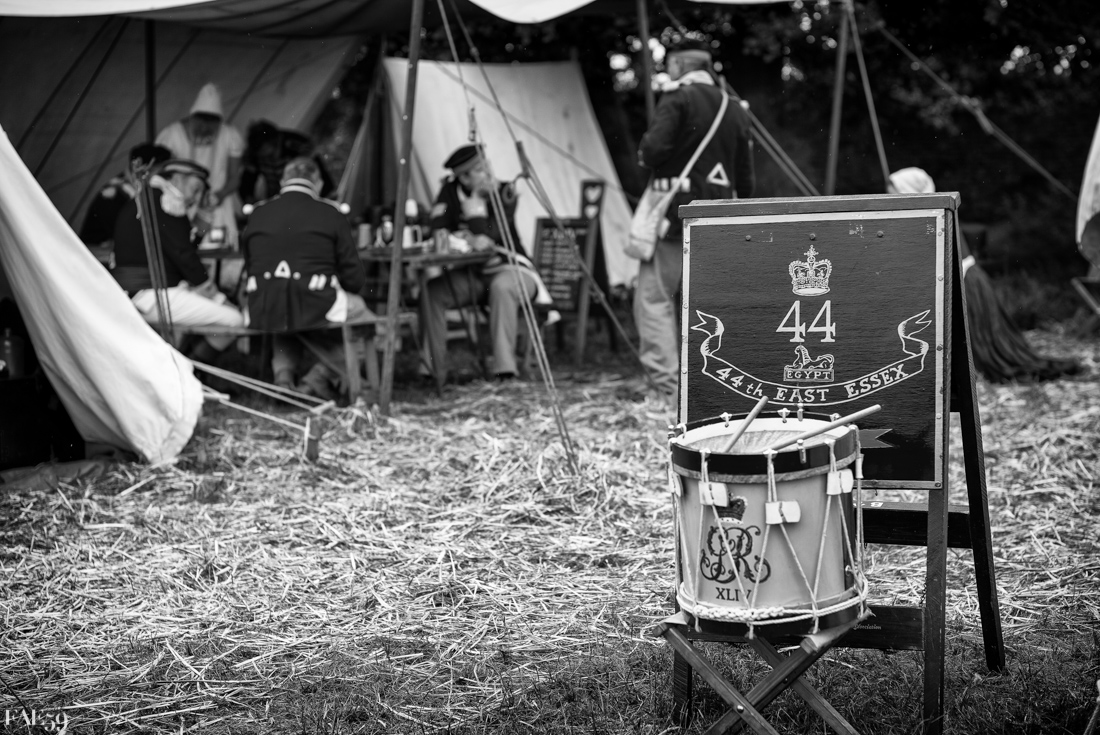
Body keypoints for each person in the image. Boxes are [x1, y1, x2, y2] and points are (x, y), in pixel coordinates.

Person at [634, 36, 755, 397]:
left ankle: (666, 386)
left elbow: (653, 151)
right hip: (720, 221)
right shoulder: (735, 108)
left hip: (676, 215)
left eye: (670, 64)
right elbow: (746, 180)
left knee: (655, 298)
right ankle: (714, 383)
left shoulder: (678, 98)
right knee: (710, 304)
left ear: (680, 65)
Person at [888, 167, 1078, 382]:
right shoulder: (922, 215)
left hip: (967, 284)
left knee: (987, 349)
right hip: (961, 280)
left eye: (893, 190)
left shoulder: (934, 215)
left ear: (908, 189)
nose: (888, 195)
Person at [240, 157, 370, 398]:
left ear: (283, 182)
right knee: (365, 318)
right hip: (315, 300)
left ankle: (283, 379)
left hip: (263, 302)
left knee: (284, 316)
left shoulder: (258, 212)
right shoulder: (330, 212)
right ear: (317, 183)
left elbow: (249, 262)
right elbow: (353, 276)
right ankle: (314, 381)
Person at [423, 144, 541, 383]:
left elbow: (490, 238)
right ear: (464, 178)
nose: (488, 172)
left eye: (487, 165)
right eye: (479, 169)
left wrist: (475, 205)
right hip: (473, 274)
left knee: (502, 288)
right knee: (433, 291)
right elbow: (437, 228)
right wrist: (466, 238)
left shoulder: (505, 192)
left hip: (511, 269)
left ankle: (505, 370)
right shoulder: (449, 191)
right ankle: (433, 369)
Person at [111, 159, 245, 362]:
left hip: (135, 294)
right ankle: (192, 369)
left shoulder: (147, 199)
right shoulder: (166, 202)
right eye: (195, 189)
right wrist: (218, 298)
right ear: (177, 179)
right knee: (234, 319)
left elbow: (183, 246)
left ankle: (184, 364)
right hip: (151, 295)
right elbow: (185, 256)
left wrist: (202, 217)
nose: (195, 198)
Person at [156, 83, 246, 248]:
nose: (205, 126)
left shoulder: (230, 135)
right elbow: (161, 173)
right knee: (184, 246)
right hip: (181, 205)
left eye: (211, 121)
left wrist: (219, 195)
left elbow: (235, 177)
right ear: (194, 117)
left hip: (216, 205)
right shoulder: (171, 135)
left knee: (220, 249)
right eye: (202, 120)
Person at [79, 143, 172, 250]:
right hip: (97, 253)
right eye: (161, 174)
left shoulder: (136, 189)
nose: (166, 179)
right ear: (142, 169)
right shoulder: (113, 194)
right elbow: (130, 236)